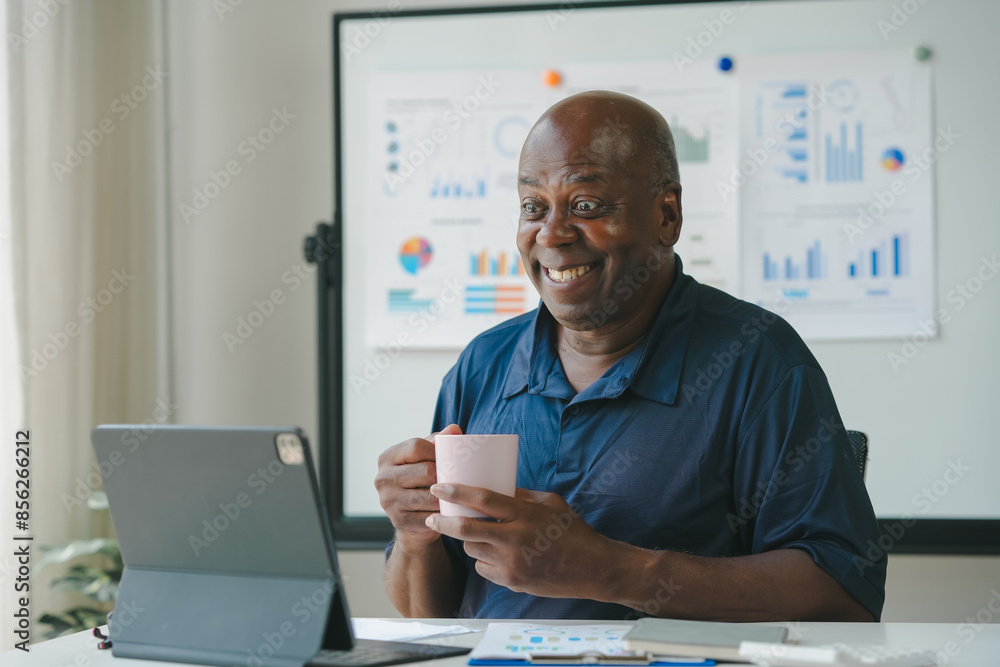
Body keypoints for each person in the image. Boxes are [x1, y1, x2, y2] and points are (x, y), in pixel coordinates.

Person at [374, 91, 886, 622]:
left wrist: (608, 569)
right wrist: (415, 539)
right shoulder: (484, 364)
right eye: (533, 207)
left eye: (586, 206)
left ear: (667, 215)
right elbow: (426, 618)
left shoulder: (758, 360)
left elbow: (843, 594)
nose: (552, 234)